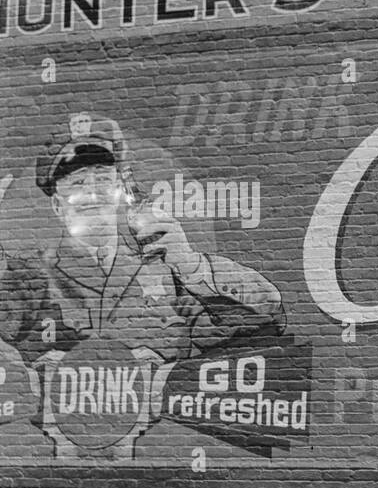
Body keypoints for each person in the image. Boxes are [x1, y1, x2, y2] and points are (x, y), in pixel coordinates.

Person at [0, 113, 283, 366]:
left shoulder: (165, 272)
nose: (92, 192)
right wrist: (31, 374)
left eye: (102, 179)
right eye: (77, 183)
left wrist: (192, 267)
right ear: (58, 207)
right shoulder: (27, 277)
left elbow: (268, 316)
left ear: (120, 191)